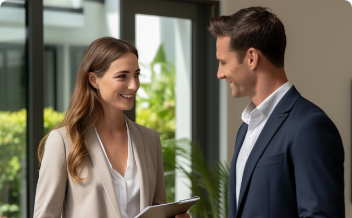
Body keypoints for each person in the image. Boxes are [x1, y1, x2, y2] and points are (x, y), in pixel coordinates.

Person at [208, 6, 345, 218]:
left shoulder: (310, 126)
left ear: (252, 58)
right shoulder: (245, 130)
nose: (219, 73)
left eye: (223, 62)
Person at [34, 37, 190, 218]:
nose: (134, 85)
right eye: (122, 76)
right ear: (94, 80)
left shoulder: (150, 139)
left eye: (136, 74)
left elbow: (157, 207)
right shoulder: (63, 141)